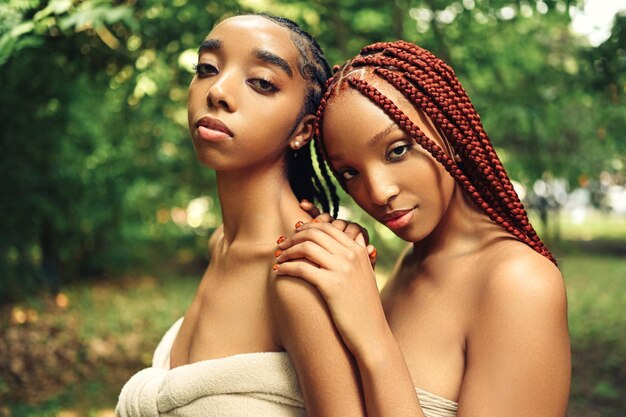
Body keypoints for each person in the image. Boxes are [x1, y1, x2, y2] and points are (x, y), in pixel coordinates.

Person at [274, 40, 571, 416]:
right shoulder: (409, 266)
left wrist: (372, 336)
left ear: (451, 132)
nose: (379, 192)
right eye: (350, 173)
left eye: (397, 150)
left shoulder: (520, 283)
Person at [116, 13, 372, 417]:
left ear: (303, 130)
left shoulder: (302, 270)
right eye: (206, 68)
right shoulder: (220, 242)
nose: (217, 91)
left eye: (262, 82)